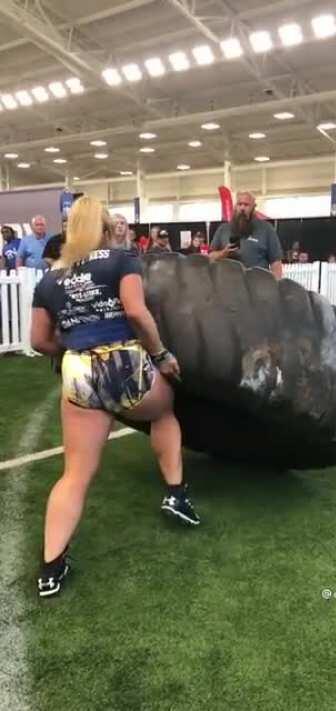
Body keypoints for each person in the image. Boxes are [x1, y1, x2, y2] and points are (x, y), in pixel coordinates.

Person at [30, 196, 199, 598]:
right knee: (164, 411)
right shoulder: (121, 260)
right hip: (127, 367)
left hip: (79, 375)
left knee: (75, 475)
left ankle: (51, 568)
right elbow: (138, 314)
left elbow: (38, 341)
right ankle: (176, 494)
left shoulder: (50, 278)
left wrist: (70, 348)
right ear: (107, 230)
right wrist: (161, 355)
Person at [209, 192, 283, 279]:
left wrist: (276, 286)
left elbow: (276, 262)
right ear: (235, 206)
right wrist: (223, 253)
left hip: (257, 285)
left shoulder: (266, 229)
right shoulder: (223, 229)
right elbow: (210, 257)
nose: (242, 208)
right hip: (228, 285)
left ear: (253, 207)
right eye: (239, 204)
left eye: (246, 205)